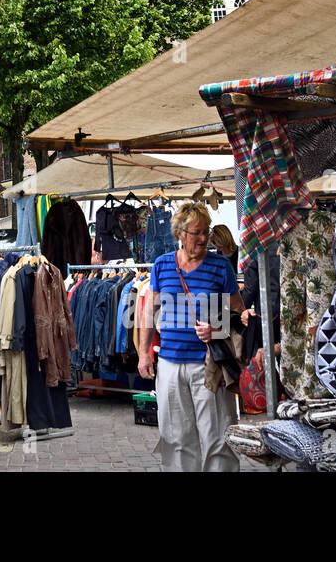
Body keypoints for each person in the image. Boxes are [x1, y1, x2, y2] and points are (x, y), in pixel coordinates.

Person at [137, 202, 242, 472]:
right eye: (197, 233)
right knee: (175, 437)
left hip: (209, 365)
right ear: (180, 234)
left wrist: (216, 330)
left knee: (218, 436)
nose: (204, 238)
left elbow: (239, 315)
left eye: (206, 231)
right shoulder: (162, 266)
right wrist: (142, 355)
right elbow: (148, 314)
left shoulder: (221, 267)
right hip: (170, 364)